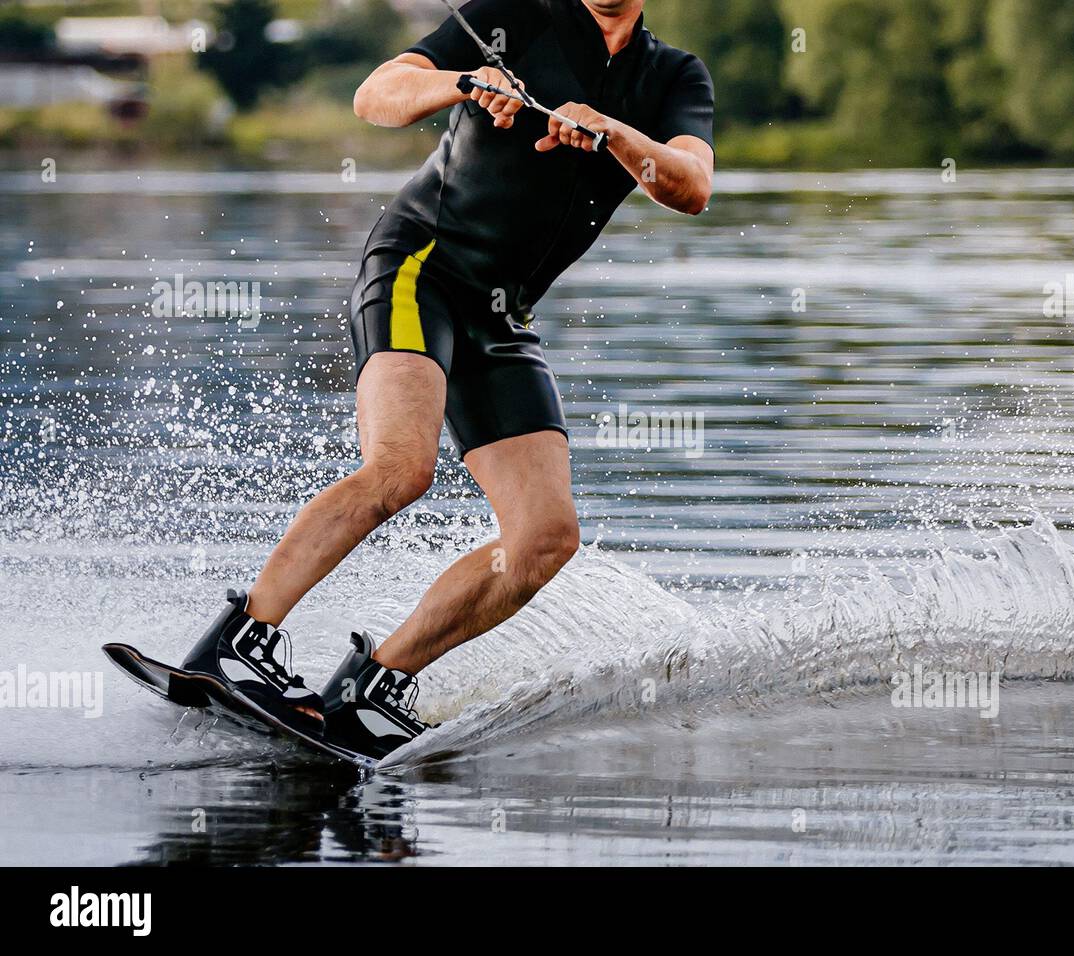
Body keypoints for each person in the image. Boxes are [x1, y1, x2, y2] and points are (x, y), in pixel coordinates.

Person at [178, 0, 715, 759]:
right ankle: (240, 640)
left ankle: (376, 687)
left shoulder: (671, 76)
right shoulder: (515, 15)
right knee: (401, 468)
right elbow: (379, 94)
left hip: (503, 315)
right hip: (420, 265)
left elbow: (691, 186)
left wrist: (617, 134)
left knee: (544, 539)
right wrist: (464, 82)